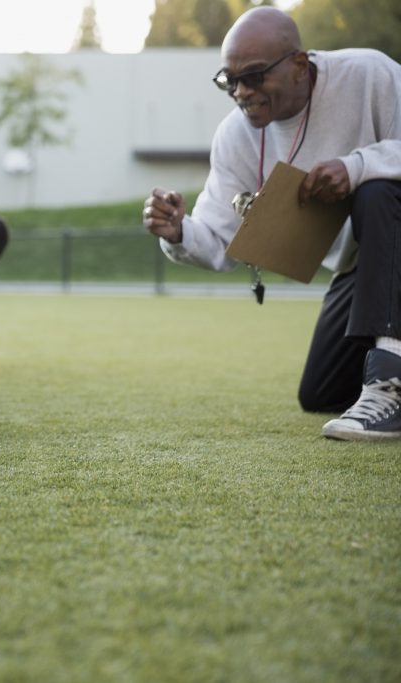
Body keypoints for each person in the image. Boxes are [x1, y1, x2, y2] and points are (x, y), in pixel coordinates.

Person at [142, 6, 401, 441]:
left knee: (376, 189)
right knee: (321, 391)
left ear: (299, 65)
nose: (242, 91)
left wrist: (357, 167)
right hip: (363, 267)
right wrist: (179, 230)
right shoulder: (235, 135)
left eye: (255, 76)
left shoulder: (369, 74)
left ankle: (388, 380)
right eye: (230, 80)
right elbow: (222, 236)